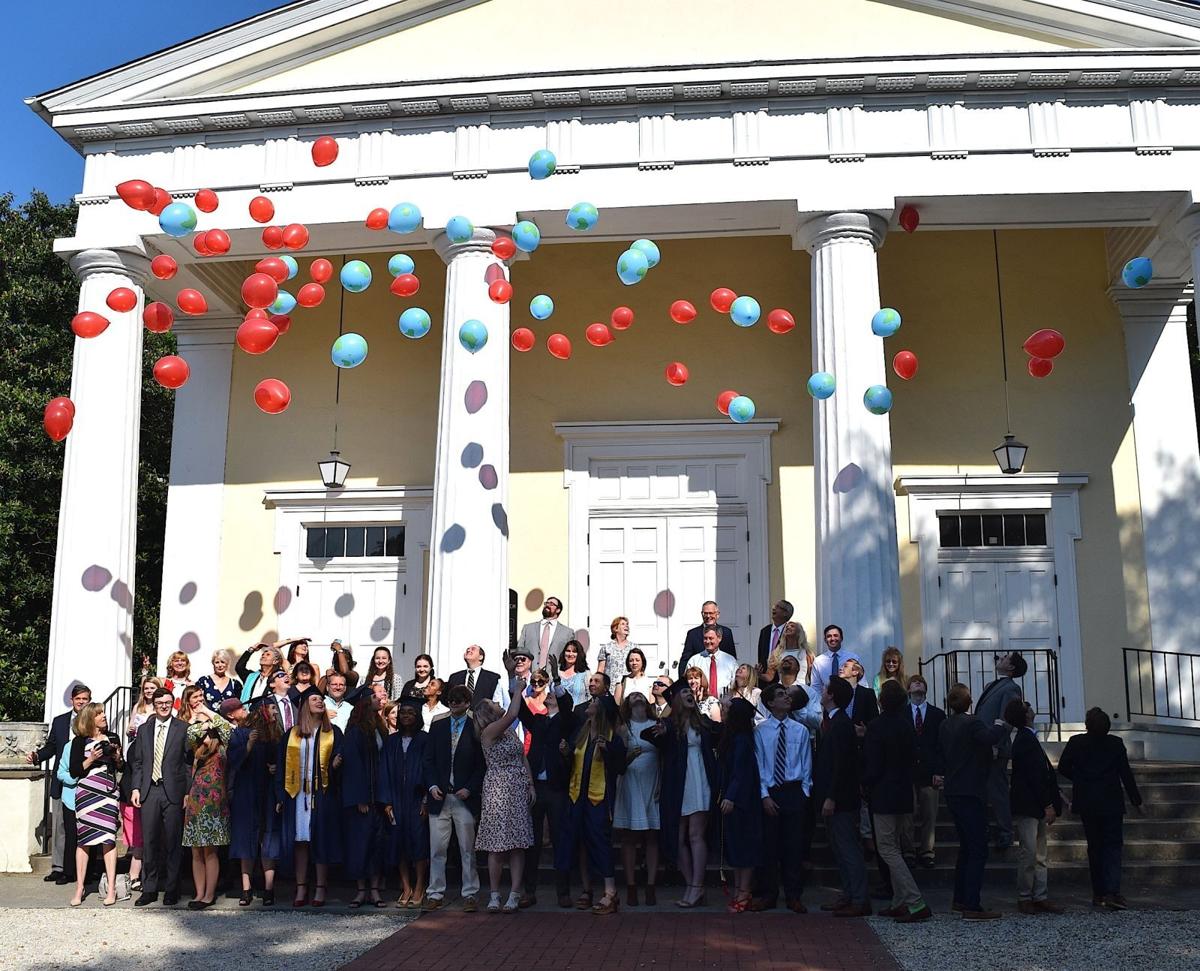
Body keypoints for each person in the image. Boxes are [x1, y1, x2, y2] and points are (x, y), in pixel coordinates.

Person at [643, 679, 720, 908]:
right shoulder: (668, 725)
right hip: (678, 784)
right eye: (684, 691)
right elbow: (648, 735)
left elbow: (725, 732)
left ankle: (696, 886)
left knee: (696, 835)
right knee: (677, 838)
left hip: (700, 781)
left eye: (690, 691)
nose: (689, 693)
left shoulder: (703, 723)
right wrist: (662, 730)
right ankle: (693, 885)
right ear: (676, 699)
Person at [1057, 708, 1143, 910]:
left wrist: (1079, 779)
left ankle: (1099, 893)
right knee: (1112, 846)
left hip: (1087, 800)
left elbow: (1063, 767)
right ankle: (1112, 891)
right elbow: (1125, 774)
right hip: (1111, 800)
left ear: (1087, 726)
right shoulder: (1115, 744)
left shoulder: (1077, 743)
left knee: (1094, 847)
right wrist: (1136, 800)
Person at [935, 682, 1008, 920]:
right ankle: (972, 904)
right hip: (970, 791)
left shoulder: (945, 724)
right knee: (977, 848)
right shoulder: (972, 722)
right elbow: (987, 738)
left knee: (966, 847)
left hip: (954, 790)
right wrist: (1000, 724)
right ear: (970, 702)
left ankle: (960, 898)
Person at [864, 680, 932, 922]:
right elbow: (915, 757)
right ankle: (899, 901)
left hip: (883, 794)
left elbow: (873, 765)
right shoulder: (906, 726)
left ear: (881, 701)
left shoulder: (876, 727)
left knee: (888, 849)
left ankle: (915, 900)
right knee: (898, 847)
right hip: (904, 792)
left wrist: (866, 785)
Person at [557, 693, 627, 915]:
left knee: (599, 842)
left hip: (599, 799)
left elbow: (620, 767)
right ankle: (587, 890)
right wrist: (566, 754)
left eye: (594, 702)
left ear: (602, 710)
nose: (590, 703)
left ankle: (610, 893)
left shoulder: (611, 736)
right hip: (577, 796)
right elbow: (573, 764)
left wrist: (608, 750)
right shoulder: (581, 732)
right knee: (580, 843)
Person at [276, 687, 344, 907]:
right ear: (304, 705)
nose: (320, 701)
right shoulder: (292, 734)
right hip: (296, 795)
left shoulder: (333, 732)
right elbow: (281, 767)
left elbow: (341, 764)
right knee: (300, 841)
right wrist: (280, 796)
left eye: (322, 699)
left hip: (322, 794)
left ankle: (321, 887)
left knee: (320, 839)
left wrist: (334, 766)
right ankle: (301, 887)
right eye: (315, 698)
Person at [422, 683, 484, 912]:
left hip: (464, 797)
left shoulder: (475, 726)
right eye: (451, 700)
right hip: (440, 795)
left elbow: (481, 764)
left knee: (467, 848)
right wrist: (432, 785)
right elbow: (428, 759)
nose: (454, 703)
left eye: (460, 700)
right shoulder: (438, 725)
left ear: (468, 702)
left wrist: (470, 788)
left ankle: (470, 893)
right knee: (437, 848)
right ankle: (435, 893)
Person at [750, 682, 812, 913]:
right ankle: (769, 893)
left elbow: (806, 763)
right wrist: (764, 795)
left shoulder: (800, 730)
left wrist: (805, 792)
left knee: (793, 847)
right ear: (770, 703)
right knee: (770, 846)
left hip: (794, 791)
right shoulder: (761, 731)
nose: (787, 697)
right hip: (771, 791)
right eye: (780, 695)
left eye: (787, 694)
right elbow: (759, 765)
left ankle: (794, 895)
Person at [474, 682, 535, 913]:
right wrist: (518, 689)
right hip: (497, 788)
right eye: (495, 703)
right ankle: (495, 894)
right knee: (496, 845)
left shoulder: (509, 732)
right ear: (488, 713)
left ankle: (515, 894)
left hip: (517, 787)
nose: (500, 703)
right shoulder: (489, 732)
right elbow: (513, 713)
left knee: (518, 843)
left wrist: (530, 783)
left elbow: (523, 757)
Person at [26, 682, 92, 886]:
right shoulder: (61, 721)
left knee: (85, 826)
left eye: (85, 699)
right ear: (72, 700)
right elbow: (52, 747)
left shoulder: (93, 720)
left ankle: (85, 869)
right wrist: (37, 756)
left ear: (89, 701)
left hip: (86, 780)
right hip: (63, 781)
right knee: (60, 826)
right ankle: (58, 867)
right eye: (78, 699)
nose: (81, 702)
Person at [815, 676, 869, 917]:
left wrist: (831, 796)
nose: (823, 691)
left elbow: (842, 764)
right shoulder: (834, 722)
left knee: (847, 848)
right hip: (834, 796)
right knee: (839, 847)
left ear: (832, 695)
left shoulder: (841, 724)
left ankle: (859, 898)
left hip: (841, 800)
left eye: (826, 689)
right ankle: (849, 894)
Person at [520, 680, 575, 908]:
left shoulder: (566, 721)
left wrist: (557, 682)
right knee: (531, 841)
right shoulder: (539, 720)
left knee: (560, 839)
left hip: (556, 788)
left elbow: (566, 704)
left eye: (555, 695)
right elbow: (522, 712)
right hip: (536, 788)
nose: (550, 695)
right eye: (550, 694)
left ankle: (563, 891)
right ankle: (529, 891)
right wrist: (515, 680)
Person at [131, 687, 188, 906]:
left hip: (173, 791)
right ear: (153, 705)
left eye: (167, 702)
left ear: (172, 703)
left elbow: (188, 763)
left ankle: (172, 889)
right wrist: (136, 788)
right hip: (149, 790)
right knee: (150, 841)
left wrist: (187, 793)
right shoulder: (144, 729)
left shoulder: (182, 728)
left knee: (173, 842)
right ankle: (150, 888)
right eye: (160, 702)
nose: (164, 706)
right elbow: (138, 762)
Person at [1006, 698, 1064, 915]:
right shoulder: (1025, 741)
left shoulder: (1027, 739)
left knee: (1038, 853)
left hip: (1033, 803)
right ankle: (1026, 896)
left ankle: (1039, 895)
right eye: (1027, 708)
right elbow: (1035, 776)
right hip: (1029, 804)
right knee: (1030, 852)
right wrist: (1048, 803)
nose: (1030, 708)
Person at [226, 697, 281, 906]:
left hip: (268, 792)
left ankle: (269, 889)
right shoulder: (240, 733)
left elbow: (282, 762)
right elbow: (233, 762)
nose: (275, 712)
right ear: (263, 710)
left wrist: (275, 769)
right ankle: (246, 889)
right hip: (246, 792)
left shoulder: (276, 735)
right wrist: (248, 745)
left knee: (267, 840)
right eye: (273, 708)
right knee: (245, 840)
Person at [67, 702, 123, 906]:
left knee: (108, 838)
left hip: (108, 793)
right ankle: (80, 887)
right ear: (90, 718)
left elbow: (121, 765)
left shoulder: (113, 737)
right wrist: (91, 758)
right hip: (87, 793)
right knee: (84, 840)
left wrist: (116, 757)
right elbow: (74, 770)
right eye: (99, 714)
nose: (104, 717)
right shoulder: (79, 741)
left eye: (103, 713)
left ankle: (111, 888)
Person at [182, 694, 233, 909]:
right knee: (196, 849)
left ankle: (209, 894)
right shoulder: (198, 746)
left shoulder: (223, 745)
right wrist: (200, 719)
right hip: (195, 800)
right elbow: (191, 731)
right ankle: (198, 892)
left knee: (210, 850)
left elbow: (228, 728)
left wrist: (210, 714)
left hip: (214, 802)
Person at [341, 688, 389, 908]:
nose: (378, 700)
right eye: (373, 698)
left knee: (378, 845)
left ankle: (375, 891)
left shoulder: (380, 727)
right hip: (362, 800)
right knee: (360, 845)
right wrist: (360, 798)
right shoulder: (355, 732)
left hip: (378, 798)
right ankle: (361, 891)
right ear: (363, 705)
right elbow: (353, 769)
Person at [974, 651, 1027, 850]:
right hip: (983, 745)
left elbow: (1008, 719)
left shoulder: (1012, 688)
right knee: (984, 790)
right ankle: (987, 828)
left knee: (997, 791)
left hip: (995, 747)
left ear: (1012, 667)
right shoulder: (994, 685)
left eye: (1005, 658)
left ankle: (1005, 831)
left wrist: (996, 744)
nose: (1000, 658)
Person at [381, 697, 430, 909]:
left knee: (418, 843)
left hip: (417, 799)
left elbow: (430, 770)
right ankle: (406, 887)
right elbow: (383, 771)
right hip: (396, 799)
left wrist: (427, 799)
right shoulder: (391, 741)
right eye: (402, 713)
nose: (406, 716)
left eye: (410, 712)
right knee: (398, 843)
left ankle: (420, 886)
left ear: (418, 716)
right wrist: (386, 802)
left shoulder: (425, 740)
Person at [613, 691, 660, 906]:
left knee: (652, 836)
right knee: (629, 837)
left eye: (641, 695)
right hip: (630, 784)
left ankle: (650, 886)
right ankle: (631, 886)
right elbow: (615, 758)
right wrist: (627, 755)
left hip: (652, 782)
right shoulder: (623, 727)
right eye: (633, 696)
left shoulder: (656, 723)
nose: (638, 697)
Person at [718, 697, 763, 912]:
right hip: (735, 798)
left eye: (726, 708)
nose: (722, 710)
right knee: (735, 846)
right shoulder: (733, 736)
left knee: (744, 847)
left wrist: (730, 796)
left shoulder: (742, 740)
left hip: (743, 801)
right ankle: (738, 889)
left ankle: (744, 891)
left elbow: (741, 771)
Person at [903, 674, 945, 870]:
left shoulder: (937, 714)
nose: (918, 683)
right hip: (908, 771)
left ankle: (927, 851)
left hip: (930, 771)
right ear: (908, 689)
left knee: (929, 813)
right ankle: (909, 850)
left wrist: (939, 771)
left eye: (921, 682)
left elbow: (941, 746)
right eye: (914, 682)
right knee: (907, 813)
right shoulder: (902, 713)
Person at [124, 677, 162, 892]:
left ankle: (146, 876)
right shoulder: (138, 706)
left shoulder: (162, 711)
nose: (148, 691)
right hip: (138, 755)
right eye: (146, 688)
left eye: (152, 688)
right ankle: (137, 877)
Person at [519, 595, 573, 676]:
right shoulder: (528, 628)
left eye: (551, 604)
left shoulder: (567, 632)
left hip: (555, 677)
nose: (547, 605)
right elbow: (520, 651)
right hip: (530, 676)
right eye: (546, 603)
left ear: (558, 610)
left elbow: (570, 656)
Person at [678, 601, 737, 672]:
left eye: (711, 613)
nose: (708, 616)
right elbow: (685, 660)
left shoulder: (726, 632)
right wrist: (683, 681)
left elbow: (731, 657)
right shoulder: (692, 634)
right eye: (705, 613)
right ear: (702, 614)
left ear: (717, 614)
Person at [809, 625, 858, 701]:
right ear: (825, 640)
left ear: (841, 638)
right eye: (829, 636)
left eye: (836, 636)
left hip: (850, 700)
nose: (832, 639)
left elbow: (860, 681)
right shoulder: (818, 661)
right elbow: (816, 687)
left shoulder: (853, 658)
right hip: (827, 703)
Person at [697, 626, 739, 699]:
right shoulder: (695, 660)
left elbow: (737, 683)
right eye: (705, 638)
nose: (707, 641)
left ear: (719, 638)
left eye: (710, 638)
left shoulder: (730, 661)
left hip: (725, 704)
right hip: (702, 703)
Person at [756, 600, 794, 672]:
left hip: (783, 674)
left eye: (778, 607)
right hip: (765, 675)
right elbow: (760, 655)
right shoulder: (764, 631)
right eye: (774, 606)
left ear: (785, 613)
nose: (773, 608)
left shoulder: (790, 632)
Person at [840, 658, 879, 726]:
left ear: (855, 672)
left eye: (845, 666)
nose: (840, 668)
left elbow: (874, 720)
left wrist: (865, 730)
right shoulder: (836, 693)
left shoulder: (867, 694)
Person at [596, 616, 636, 680]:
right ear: (615, 628)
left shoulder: (634, 647)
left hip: (627, 687)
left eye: (627, 624)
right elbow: (600, 670)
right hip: (610, 687)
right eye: (623, 624)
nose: (627, 626)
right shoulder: (606, 648)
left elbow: (639, 668)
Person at [557, 640, 590, 707]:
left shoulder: (585, 674)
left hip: (577, 714)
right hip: (557, 715)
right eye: (568, 651)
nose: (570, 654)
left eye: (574, 652)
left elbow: (590, 697)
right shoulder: (556, 672)